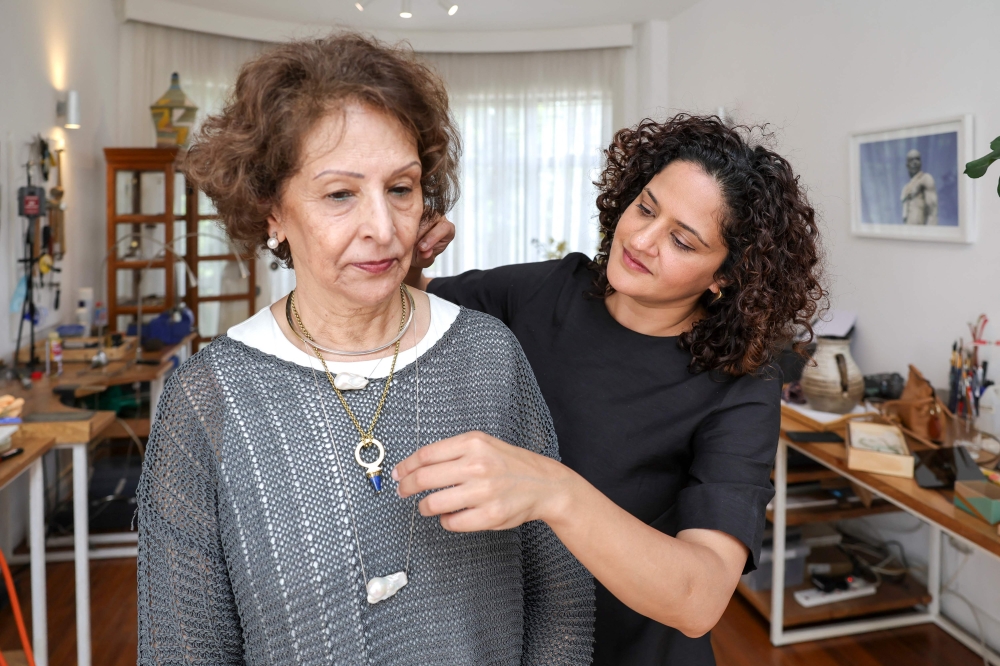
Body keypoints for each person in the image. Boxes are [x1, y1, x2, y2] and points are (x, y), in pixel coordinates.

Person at [136, 33, 594, 665]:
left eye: (401, 189)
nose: (383, 228)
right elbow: (182, 649)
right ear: (272, 210)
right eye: (340, 194)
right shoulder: (210, 399)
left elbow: (561, 596)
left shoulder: (489, 358)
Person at [398, 114, 825, 665]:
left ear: (725, 277)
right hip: (515, 640)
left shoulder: (740, 382)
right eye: (646, 208)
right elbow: (414, 303)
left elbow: (701, 598)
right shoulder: (547, 290)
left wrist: (554, 490)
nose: (642, 240)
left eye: (682, 241)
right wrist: (406, 249)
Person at [901, 148, 938, 225]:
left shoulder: (925, 179)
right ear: (907, 165)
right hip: (908, 230)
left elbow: (932, 210)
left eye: (917, 159)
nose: (915, 162)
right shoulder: (905, 188)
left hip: (921, 230)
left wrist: (931, 233)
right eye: (911, 160)